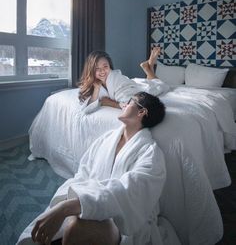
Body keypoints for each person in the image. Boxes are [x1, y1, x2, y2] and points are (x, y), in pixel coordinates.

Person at [17, 92, 180, 245]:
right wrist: (67, 201)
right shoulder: (106, 140)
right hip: (86, 199)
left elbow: (129, 191)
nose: (123, 104)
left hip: (119, 219)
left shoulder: (150, 153)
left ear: (141, 112)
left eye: (130, 101)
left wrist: (67, 207)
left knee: (76, 226)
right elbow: (83, 174)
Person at [78, 47, 169, 114]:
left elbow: (131, 103)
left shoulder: (116, 79)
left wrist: (109, 103)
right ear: (91, 70)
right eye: (97, 68)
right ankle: (149, 67)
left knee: (160, 85)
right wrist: (97, 89)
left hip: (128, 86)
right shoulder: (93, 83)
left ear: (110, 66)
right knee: (151, 83)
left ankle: (149, 67)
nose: (102, 71)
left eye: (105, 66)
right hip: (132, 83)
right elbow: (86, 109)